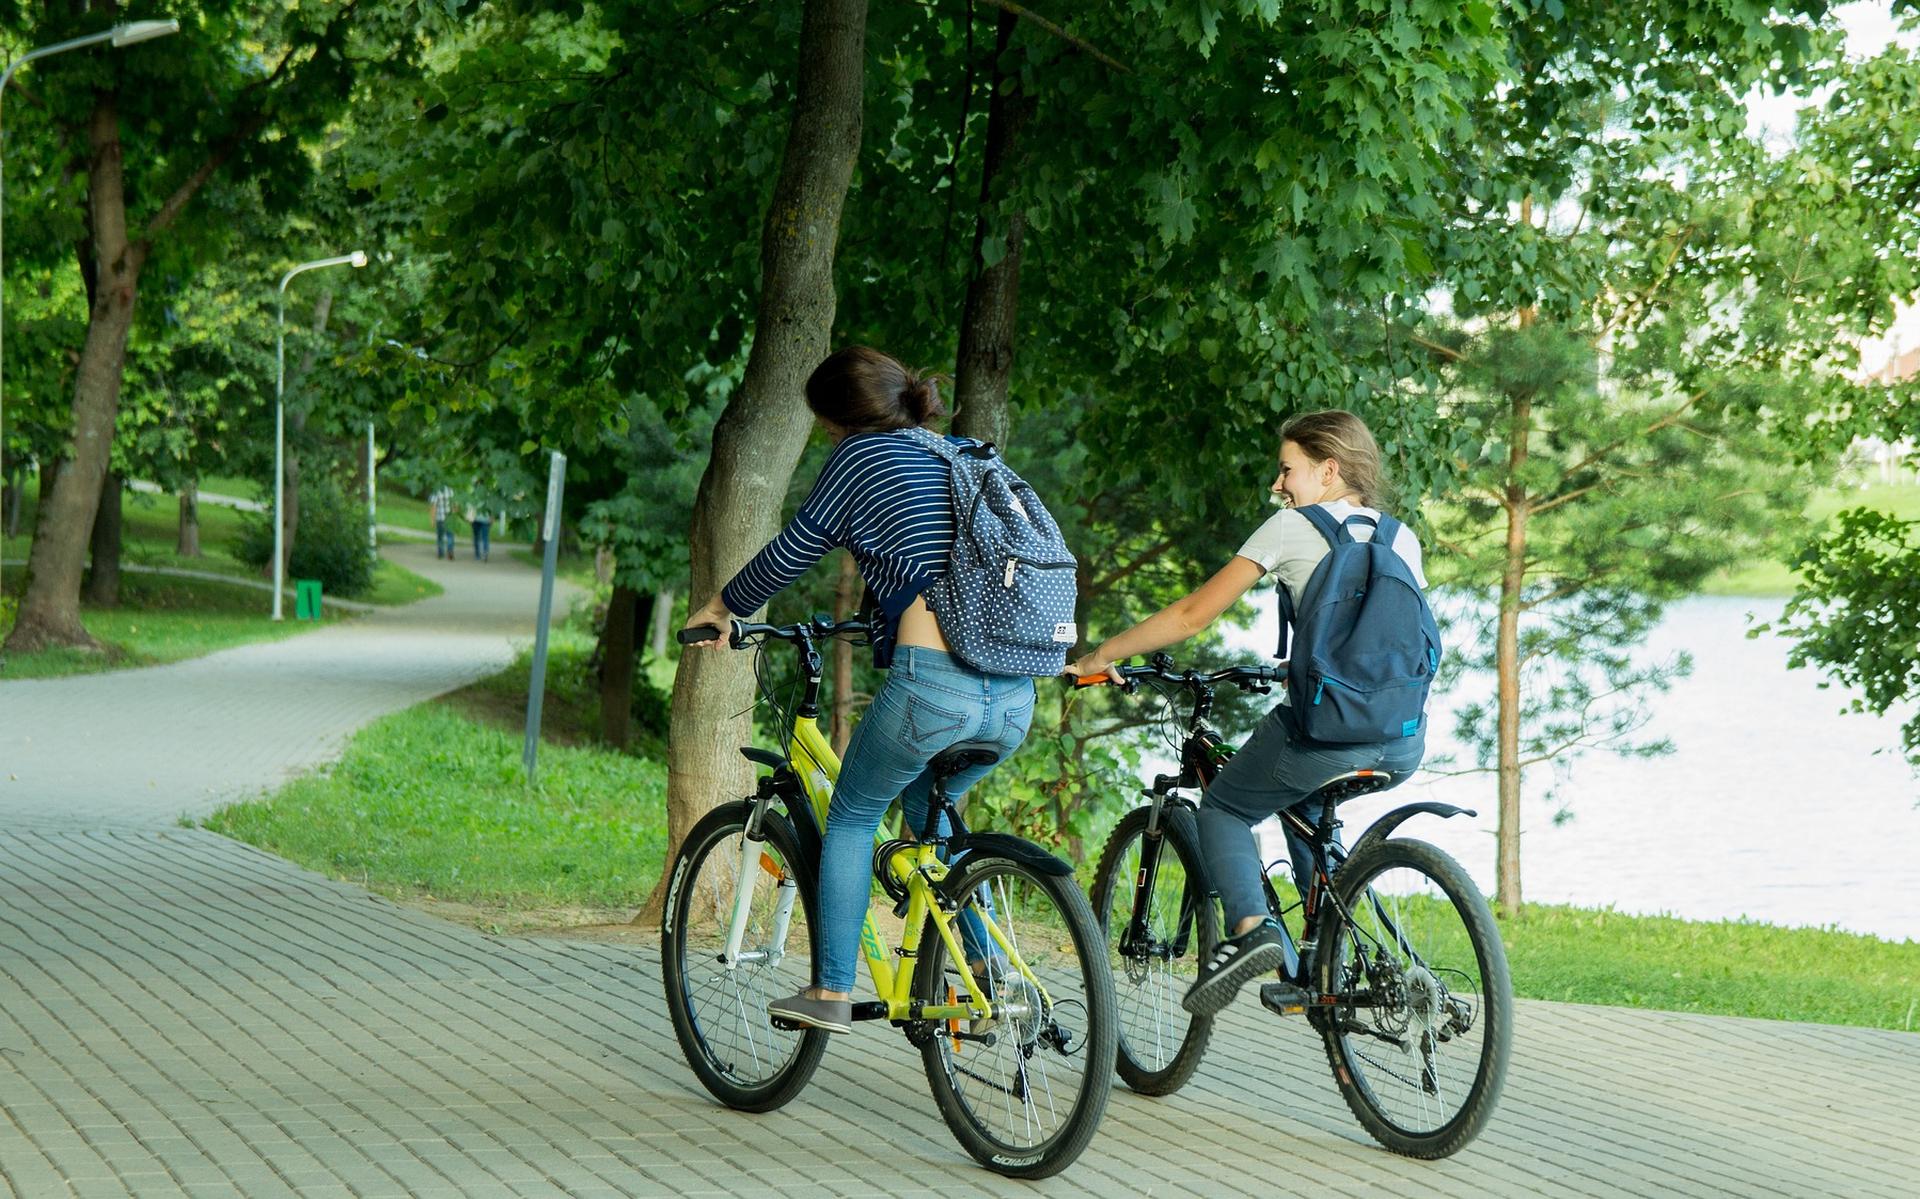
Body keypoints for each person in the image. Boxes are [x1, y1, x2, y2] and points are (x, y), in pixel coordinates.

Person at [682, 346, 1036, 1034]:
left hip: (934, 689)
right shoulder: (957, 453)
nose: (825, 436)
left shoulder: (861, 457)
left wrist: (722, 607)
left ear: (839, 417)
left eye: (823, 423)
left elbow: (794, 548)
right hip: (1015, 694)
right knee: (931, 816)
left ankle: (831, 991)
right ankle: (981, 971)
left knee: (848, 816)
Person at [1065, 409, 1429, 1017]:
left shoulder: (1289, 529)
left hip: (1324, 736)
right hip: (1402, 739)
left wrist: (1099, 656)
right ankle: (1321, 968)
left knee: (1227, 806)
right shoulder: (1402, 537)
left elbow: (1191, 616)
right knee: (1304, 807)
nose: (1279, 484)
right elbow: (1381, 644)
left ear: (1328, 469)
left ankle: (1252, 930)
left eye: (1288, 469)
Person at [430, 485, 456, 559]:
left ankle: (441, 553)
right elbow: (455, 505)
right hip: (450, 518)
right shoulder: (451, 491)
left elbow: (434, 506)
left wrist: (432, 519)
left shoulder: (436, 492)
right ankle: (450, 551)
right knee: (450, 536)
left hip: (440, 518)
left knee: (440, 537)